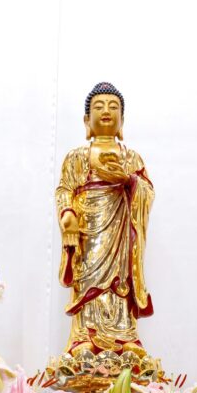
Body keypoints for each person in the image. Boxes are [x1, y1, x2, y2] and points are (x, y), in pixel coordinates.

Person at [56, 82, 154, 356]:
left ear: (123, 119)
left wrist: (129, 181)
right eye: (99, 107)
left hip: (121, 228)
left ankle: (125, 337)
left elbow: (147, 191)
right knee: (89, 281)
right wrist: (67, 215)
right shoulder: (77, 156)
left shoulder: (130, 157)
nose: (106, 111)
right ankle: (85, 337)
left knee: (120, 281)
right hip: (88, 229)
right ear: (87, 121)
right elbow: (65, 189)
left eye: (114, 107)